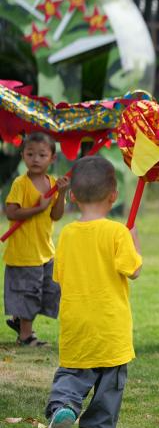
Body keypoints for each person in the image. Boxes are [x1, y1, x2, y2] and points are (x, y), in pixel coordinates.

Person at [38, 156, 142, 428]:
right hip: (110, 325)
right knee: (110, 382)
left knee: (72, 373)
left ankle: (63, 407)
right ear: (114, 196)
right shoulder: (117, 232)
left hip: (76, 323)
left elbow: (59, 276)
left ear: (72, 196)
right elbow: (133, 270)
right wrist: (134, 240)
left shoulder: (67, 234)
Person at [3, 132, 69, 347]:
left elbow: (56, 215)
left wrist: (62, 193)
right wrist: (38, 208)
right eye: (30, 154)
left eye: (42, 155)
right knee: (29, 293)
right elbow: (11, 213)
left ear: (52, 158)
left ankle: (19, 319)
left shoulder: (53, 183)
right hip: (24, 252)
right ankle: (26, 336)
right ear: (22, 156)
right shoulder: (20, 183)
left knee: (49, 291)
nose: (35, 159)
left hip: (45, 250)